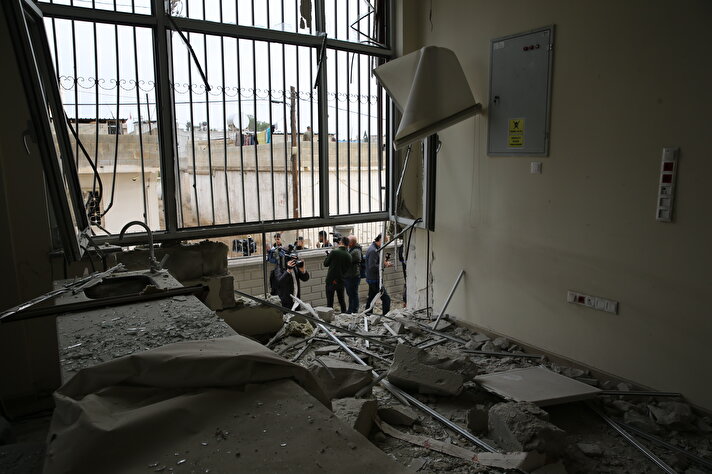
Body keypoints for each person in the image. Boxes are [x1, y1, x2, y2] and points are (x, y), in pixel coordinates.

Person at [364, 234, 392, 315]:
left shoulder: (375, 248)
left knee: (371, 298)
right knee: (386, 298)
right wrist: (385, 265)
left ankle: (368, 314)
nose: (386, 244)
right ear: (380, 240)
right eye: (385, 242)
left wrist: (384, 263)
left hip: (373, 278)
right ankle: (386, 316)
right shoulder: (373, 250)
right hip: (374, 279)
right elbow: (372, 267)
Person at [323, 236, 351, 312]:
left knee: (330, 302)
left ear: (341, 242)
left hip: (331, 280)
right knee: (342, 300)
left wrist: (328, 256)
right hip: (341, 280)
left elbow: (325, 264)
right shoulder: (349, 255)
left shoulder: (334, 252)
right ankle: (344, 315)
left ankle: (329, 318)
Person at [344, 235, 363, 314]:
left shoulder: (356, 251)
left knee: (353, 294)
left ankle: (354, 310)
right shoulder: (352, 249)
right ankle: (351, 309)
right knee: (350, 294)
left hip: (353, 276)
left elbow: (347, 259)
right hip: (350, 275)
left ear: (351, 243)